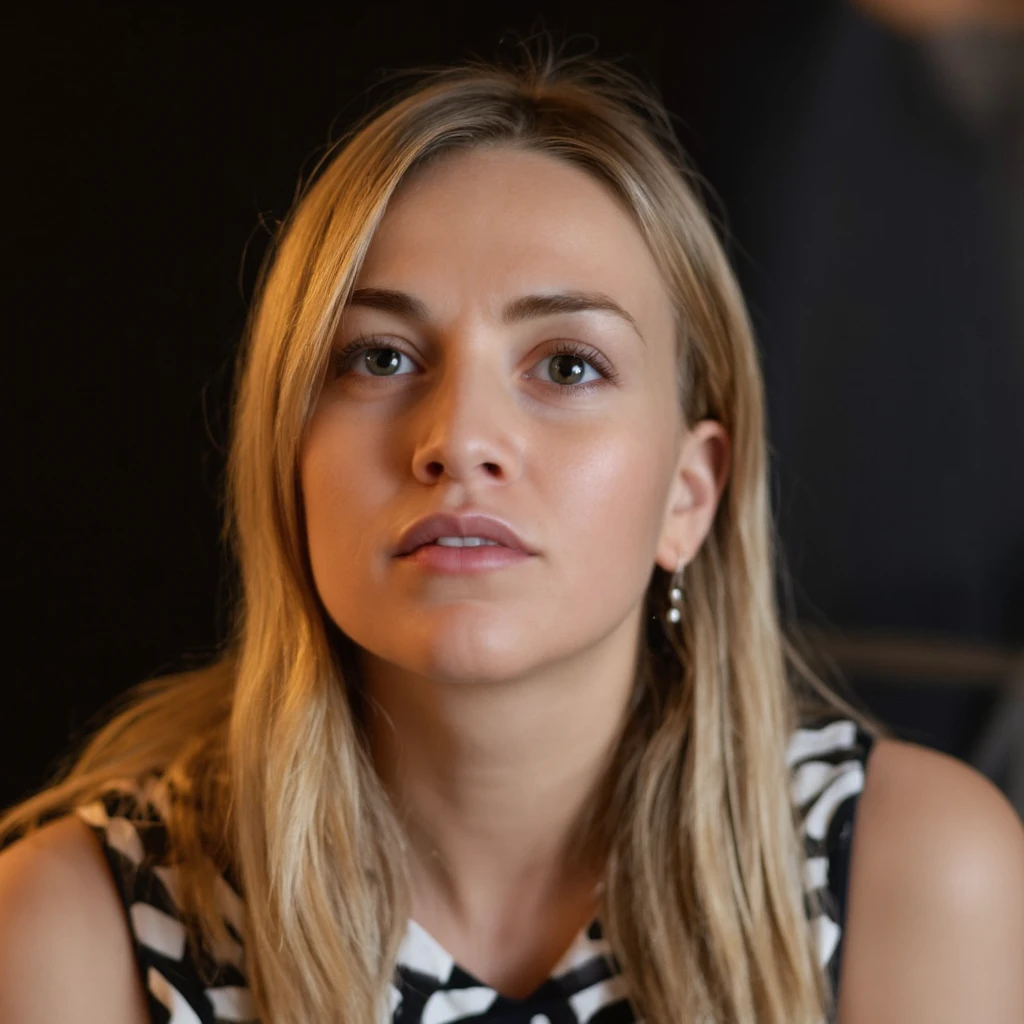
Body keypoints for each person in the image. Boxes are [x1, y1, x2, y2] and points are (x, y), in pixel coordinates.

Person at [0, 46, 1021, 1024]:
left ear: (689, 493)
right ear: (286, 461)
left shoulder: (916, 877)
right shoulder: (71, 925)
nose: (459, 439)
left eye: (568, 364)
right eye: (381, 358)